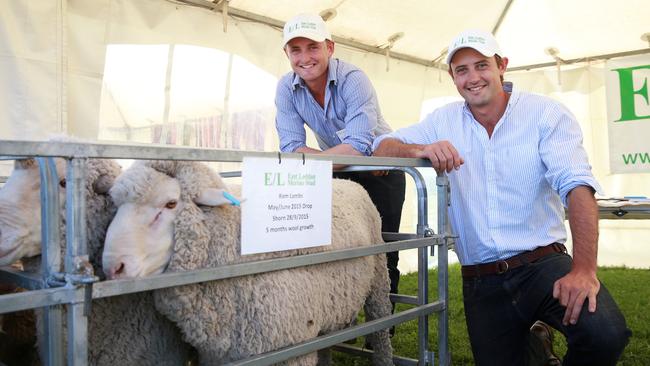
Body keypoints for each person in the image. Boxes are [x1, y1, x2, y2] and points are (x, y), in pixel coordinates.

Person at [373, 29, 631, 365]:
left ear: (502, 66)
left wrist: (583, 270)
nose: (473, 77)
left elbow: (578, 188)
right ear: (452, 77)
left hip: (543, 264)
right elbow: (383, 150)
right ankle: (537, 348)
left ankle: (538, 346)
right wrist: (422, 148)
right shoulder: (443, 120)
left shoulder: (545, 114)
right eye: (461, 70)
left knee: (605, 335)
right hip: (481, 279)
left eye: (481, 65)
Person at [274, 13, 406, 309]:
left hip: (380, 171)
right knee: (334, 245)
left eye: (313, 47)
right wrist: (335, 157)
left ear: (329, 48)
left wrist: (314, 158)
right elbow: (291, 147)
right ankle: (339, 317)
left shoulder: (353, 79)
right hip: (337, 171)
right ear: (286, 53)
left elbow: (359, 146)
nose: (305, 57)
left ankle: (381, 334)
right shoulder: (286, 88)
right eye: (296, 49)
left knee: (384, 251)